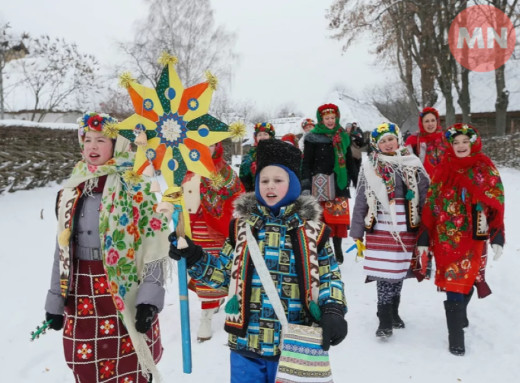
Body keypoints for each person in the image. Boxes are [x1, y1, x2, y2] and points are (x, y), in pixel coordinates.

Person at [169, 139, 348, 383]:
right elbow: (222, 277)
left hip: (294, 343)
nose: (270, 187)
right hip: (245, 343)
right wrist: (194, 256)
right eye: (264, 181)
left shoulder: (314, 232)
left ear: (293, 184)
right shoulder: (240, 229)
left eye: (278, 180)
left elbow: (329, 276)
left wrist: (333, 310)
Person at [44, 112, 170, 383]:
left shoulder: (136, 185)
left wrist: (149, 300)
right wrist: (55, 300)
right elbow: (62, 247)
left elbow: (154, 244)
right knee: (86, 363)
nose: (92, 146)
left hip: (122, 290)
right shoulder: (72, 188)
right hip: (81, 292)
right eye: (87, 139)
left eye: (101, 139)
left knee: (130, 364)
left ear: (117, 144)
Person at [420, 123, 505, 356]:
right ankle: (455, 336)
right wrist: (424, 238)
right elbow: (431, 204)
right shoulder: (442, 169)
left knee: (468, 280)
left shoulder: (486, 169)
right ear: (450, 145)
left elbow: (497, 204)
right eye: (455, 142)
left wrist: (498, 236)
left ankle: (460, 314)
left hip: (475, 237)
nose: (460, 146)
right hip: (447, 238)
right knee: (452, 283)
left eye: (464, 142)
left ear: (473, 142)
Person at [350, 122, 429, 338]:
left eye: (390, 139)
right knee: (384, 273)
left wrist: (428, 225)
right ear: (376, 145)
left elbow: (424, 195)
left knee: (399, 271)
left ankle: (394, 311)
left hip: (406, 227)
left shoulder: (412, 163)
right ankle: (384, 319)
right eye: (382, 141)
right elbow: (361, 200)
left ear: (398, 140)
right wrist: (357, 230)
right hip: (381, 227)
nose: (387, 144)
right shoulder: (370, 167)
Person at [182, 142, 245, 342]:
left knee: (216, 268)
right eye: (200, 144)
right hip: (193, 228)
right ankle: (209, 308)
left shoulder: (226, 173)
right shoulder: (187, 171)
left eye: (210, 144)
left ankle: (207, 315)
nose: (205, 148)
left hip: (218, 230)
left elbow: (237, 198)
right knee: (198, 268)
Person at [301, 103, 359, 264]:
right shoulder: (312, 138)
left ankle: (338, 249)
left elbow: (349, 161)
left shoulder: (343, 137)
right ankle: (324, 249)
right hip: (320, 183)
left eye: (333, 118)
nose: (330, 121)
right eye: (327, 118)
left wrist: (356, 179)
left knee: (338, 219)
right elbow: (306, 163)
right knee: (321, 220)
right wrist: (305, 185)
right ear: (321, 119)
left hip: (339, 183)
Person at [405, 107, 448, 177]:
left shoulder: (445, 138)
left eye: (433, 120)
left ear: (437, 122)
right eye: (427, 121)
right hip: (423, 183)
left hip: (444, 182)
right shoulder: (413, 141)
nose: (430, 124)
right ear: (421, 123)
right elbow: (408, 166)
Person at [239, 122, 275, 192]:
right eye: (259, 135)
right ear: (255, 137)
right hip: (256, 193)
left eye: (265, 134)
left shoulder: (278, 152)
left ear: (271, 136)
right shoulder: (250, 156)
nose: (262, 137)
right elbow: (244, 179)